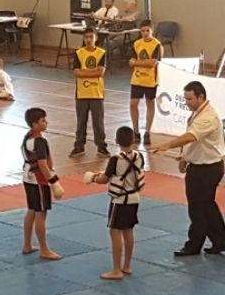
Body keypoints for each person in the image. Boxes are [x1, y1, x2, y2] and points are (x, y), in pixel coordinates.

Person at [149, 81, 225, 256]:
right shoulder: (197, 113)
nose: (186, 102)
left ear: (201, 97)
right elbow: (195, 142)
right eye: (185, 99)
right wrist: (185, 157)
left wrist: (167, 145)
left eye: (189, 99)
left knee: (197, 208)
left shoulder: (208, 117)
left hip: (207, 169)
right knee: (207, 206)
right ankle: (220, 240)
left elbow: (191, 136)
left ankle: (193, 245)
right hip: (200, 166)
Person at [87, 126, 144, 280]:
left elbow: (104, 179)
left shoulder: (115, 159)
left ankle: (116, 270)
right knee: (128, 230)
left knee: (115, 231)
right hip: (134, 198)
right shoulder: (139, 156)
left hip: (119, 200)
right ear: (133, 140)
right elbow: (127, 173)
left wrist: (92, 178)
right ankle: (127, 265)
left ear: (116, 141)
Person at [21, 108, 63, 261]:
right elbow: (43, 165)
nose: (46, 123)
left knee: (32, 210)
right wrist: (54, 183)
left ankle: (27, 245)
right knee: (41, 213)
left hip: (28, 177)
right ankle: (44, 250)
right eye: (43, 121)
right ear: (35, 124)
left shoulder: (27, 137)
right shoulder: (39, 141)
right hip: (39, 179)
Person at [69, 28, 109, 158]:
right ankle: (79, 146)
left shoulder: (101, 53)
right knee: (81, 122)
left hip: (97, 93)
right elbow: (77, 72)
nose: (88, 40)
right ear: (83, 38)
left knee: (98, 122)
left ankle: (101, 146)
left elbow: (100, 72)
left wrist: (85, 72)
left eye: (91, 37)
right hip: (82, 93)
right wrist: (93, 72)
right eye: (86, 37)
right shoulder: (79, 53)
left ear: (96, 38)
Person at [129, 20, 163, 145]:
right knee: (133, 104)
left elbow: (152, 63)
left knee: (150, 104)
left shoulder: (157, 45)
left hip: (150, 80)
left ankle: (147, 132)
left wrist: (137, 63)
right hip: (137, 79)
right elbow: (131, 61)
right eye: (142, 31)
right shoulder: (137, 44)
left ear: (152, 31)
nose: (145, 33)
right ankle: (136, 131)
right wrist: (139, 63)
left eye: (147, 31)